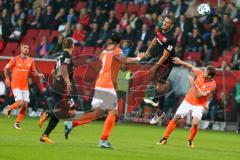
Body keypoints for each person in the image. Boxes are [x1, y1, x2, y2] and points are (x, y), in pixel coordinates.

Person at [64, 33, 145, 148]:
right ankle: (103, 140)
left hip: (100, 83)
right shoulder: (116, 50)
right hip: (108, 85)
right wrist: (139, 58)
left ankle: (71, 123)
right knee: (113, 113)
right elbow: (124, 60)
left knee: (97, 113)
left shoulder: (104, 52)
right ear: (120, 42)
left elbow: (110, 65)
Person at [158, 57, 216, 147]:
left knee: (195, 123)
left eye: (205, 72)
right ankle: (164, 138)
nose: (203, 72)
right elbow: (192, 66)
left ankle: (190, 140)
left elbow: (197, 96)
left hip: (199, 104)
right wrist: (180, 61)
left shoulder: (212, 85)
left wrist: (192, 83)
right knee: (176, 118)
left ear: (210, 76)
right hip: (188, 101)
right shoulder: (200, 73)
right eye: (204, 71)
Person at [38, 37, 76, 143]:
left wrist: (56, 81)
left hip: (57, 86)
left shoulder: (60, 55)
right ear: (72, 46)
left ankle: (45, 135)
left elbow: (52, 72)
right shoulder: (67, 56)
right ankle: (47, 114)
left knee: (61, 112)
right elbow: (63, 68)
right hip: (61, 87)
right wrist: (67, 83)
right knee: (65, 113)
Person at [141, 15, 176, 124]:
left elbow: (165, 56)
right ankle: (156, 99)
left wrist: (155, 66)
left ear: (171, 25)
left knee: (160, 85)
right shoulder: (160, 31)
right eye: (164, 21)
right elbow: (155, 40)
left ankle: (160, 112)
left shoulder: (171, 39)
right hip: (160, 60)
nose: (165, 23)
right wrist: (148, 51)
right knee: (156, 82)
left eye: (167, 23)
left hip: (167, 63)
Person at [4, 43, 44, 129]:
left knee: (25, 105)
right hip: (16, 85)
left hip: (24, 86)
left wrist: (39, 75)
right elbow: (5, 68)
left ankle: (17, 123)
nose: (26, 49)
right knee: (20, 103)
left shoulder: (31, 60)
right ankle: (9, 107)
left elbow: (33, 72)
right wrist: (7, 78)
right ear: (21, 49)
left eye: (28, 48)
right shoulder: (14, 59)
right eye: (25, 48)